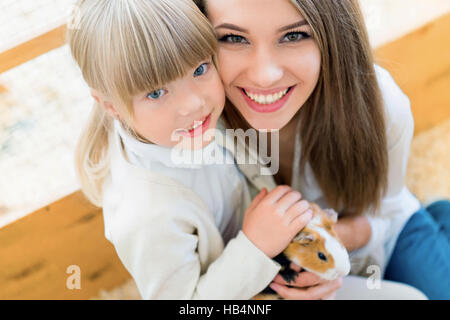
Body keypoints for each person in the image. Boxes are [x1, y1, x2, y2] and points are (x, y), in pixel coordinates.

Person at [195, 0, 448, 299]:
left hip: (383, 231)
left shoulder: (383, 105)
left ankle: (436, 218)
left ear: (332, 34)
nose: (265, 76)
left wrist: (323, 246)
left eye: (293, 36)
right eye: (233, 38)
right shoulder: (188, 129)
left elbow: (386, 212)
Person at [67, 0, 317, 299]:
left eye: (199, 69)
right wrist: (256, 246)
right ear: (111, 106)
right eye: (156, 92)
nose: (192, 104)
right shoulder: (146, 215)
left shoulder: (192, 123)